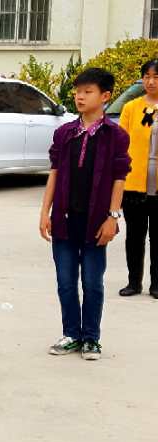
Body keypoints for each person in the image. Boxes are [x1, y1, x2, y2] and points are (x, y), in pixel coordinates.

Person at [39, 68, 131, 361]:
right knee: (65, 282)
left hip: (96, 222)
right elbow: (54, 172)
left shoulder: (116, 135)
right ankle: (71, 334)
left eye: (87, 92)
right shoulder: (64, 133)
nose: (80, 96)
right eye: (78, 91)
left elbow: (119, 178)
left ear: (105, 96)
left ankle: (91, 337)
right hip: (65, 219)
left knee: (92, 282)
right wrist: (45, 212)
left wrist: (113, 217)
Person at [117, 59, 158, 298]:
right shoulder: (131, 108)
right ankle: (134, 282)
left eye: (156, 77)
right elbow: (121, 145)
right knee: (134, 236)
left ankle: (156, 284)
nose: (151, 82)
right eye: (147, 76)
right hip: (134, 183)